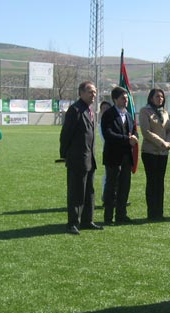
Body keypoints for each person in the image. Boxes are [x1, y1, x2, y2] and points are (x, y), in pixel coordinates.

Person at [59, 81, 104, 235]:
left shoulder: (89, 110)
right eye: (91, 92)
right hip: (77, 159)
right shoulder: (75, 110)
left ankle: (87, 220)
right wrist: (65, 155)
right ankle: (72, 223)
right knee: (76, 192)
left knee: (89, 192)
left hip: (89, 159)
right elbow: (66, 135)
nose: (94, 95)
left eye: (95, 92)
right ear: (81, 93)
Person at [101, 87, 138, 225]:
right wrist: (126, 139)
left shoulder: (128, 115)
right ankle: (108, 217)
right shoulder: (108, 114)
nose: (126, 100)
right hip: (113, 157)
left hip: (126, 157)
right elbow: (108, 134)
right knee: (112, 188)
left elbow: (134, 131)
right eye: (123, 98)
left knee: (125, 187)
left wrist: (135, 137)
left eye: (127, 98)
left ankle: (121, 215)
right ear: (115, 99)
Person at [139, 88, 170, 220]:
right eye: (157, 96)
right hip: (150, 152)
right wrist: (161, 143)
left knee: (160, 183)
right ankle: (152, 212)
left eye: (162, 97)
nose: (160, 99)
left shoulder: (164, 112)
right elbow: (146, 132)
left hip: (163, 153)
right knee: (152, 182)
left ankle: (159, 212)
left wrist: (168, 142)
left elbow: (169, 130)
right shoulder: (145, 111)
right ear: (151, 98)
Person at [98, 100, 112, 206]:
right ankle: (105, 196)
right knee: (108, 176)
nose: (105, 111)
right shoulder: (101, 124)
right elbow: (106, 139)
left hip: (117, 151)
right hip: (109, 151)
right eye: (103, 109)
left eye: (107, 108)